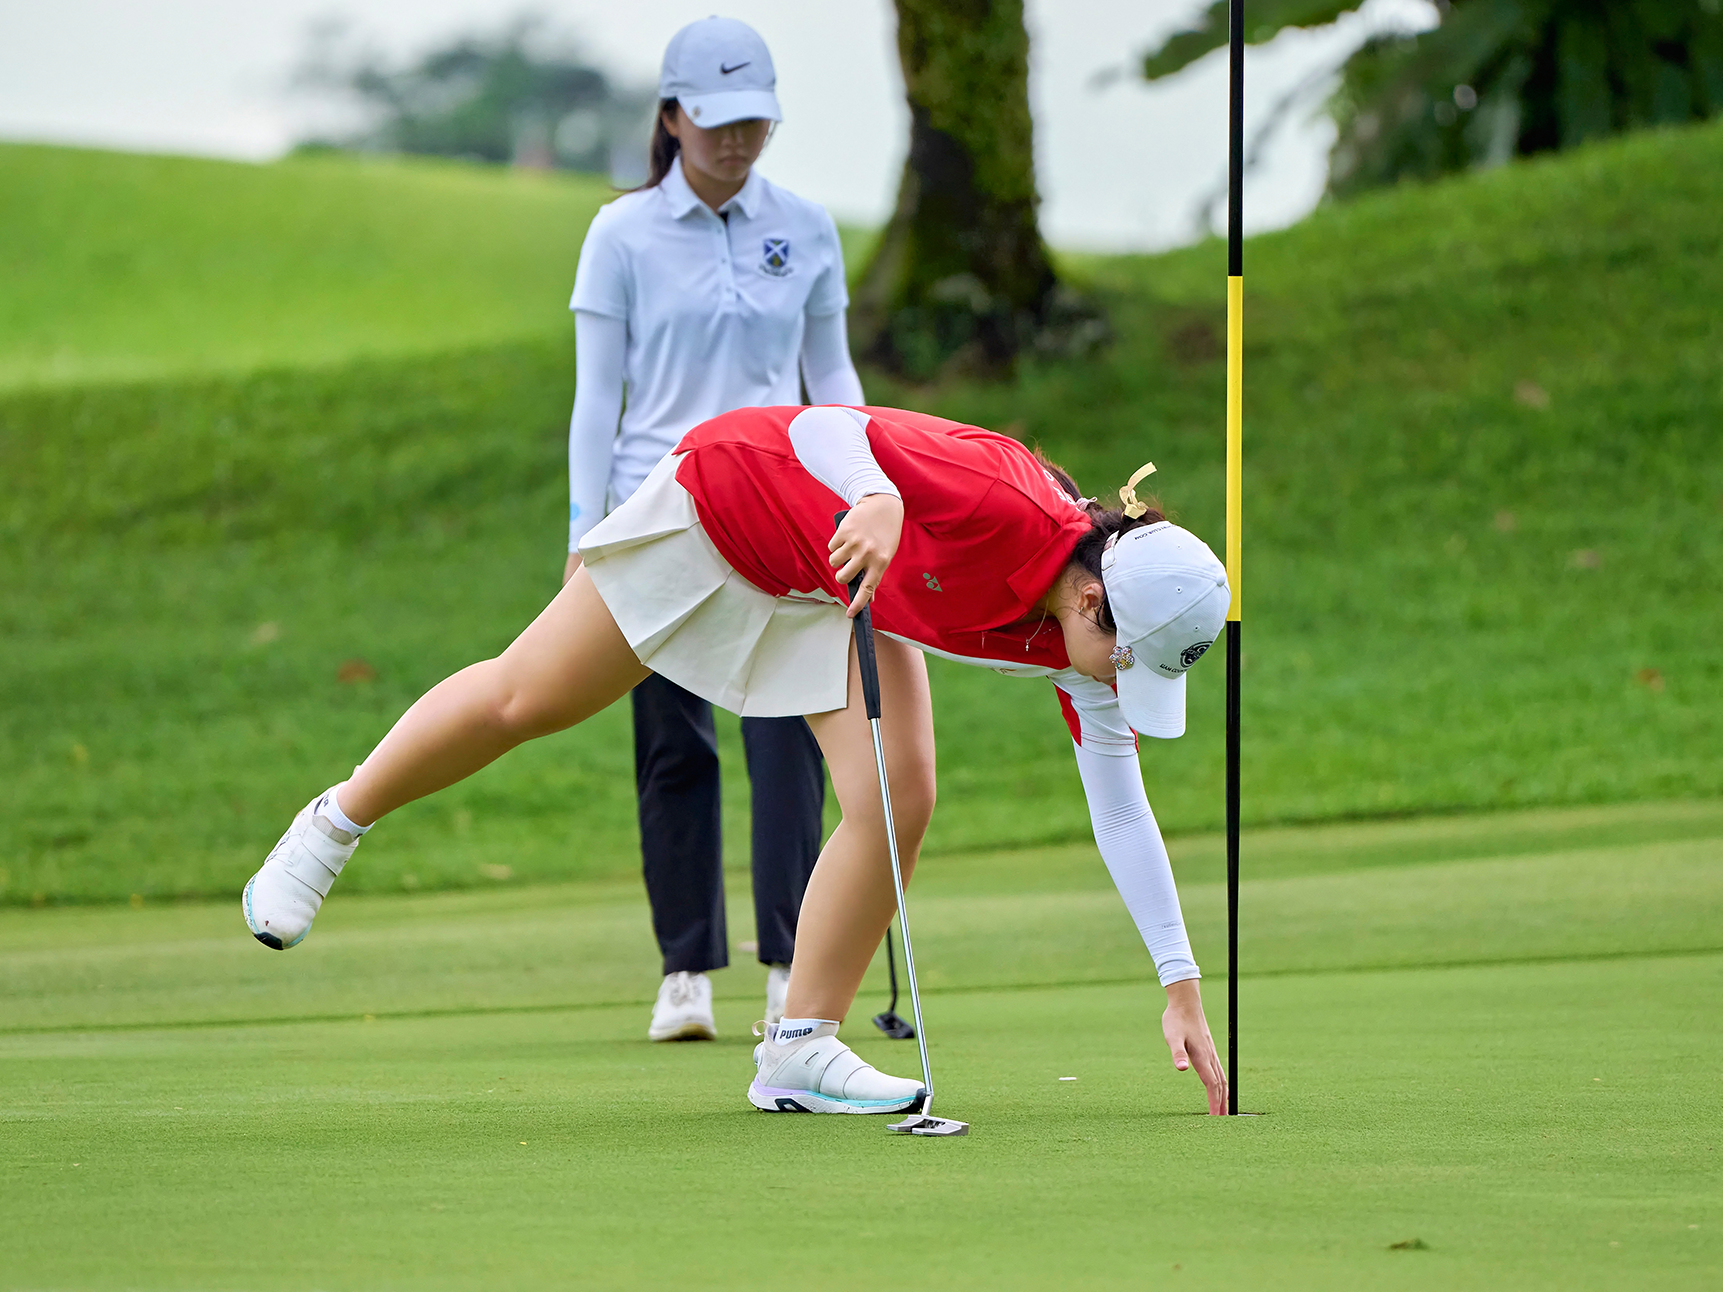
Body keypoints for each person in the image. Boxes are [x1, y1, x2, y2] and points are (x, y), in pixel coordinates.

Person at [243, 404, 1233, 1117]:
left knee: (898, 787)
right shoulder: (999, 494)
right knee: (523, 697)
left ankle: (800, 1044)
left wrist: (1179, 982)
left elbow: (1119, 805)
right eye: (1126, 658)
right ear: (1096, 602)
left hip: (825, 582)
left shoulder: (1089, 637)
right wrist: (877, 496)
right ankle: (334, 821)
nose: (1120, 681)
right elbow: (819, 430)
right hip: (733, 503)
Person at [564, 17, 864, 1041]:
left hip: (786, 509)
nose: (737, 140)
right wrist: (581, 530)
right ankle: (685, 971)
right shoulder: (621, 234)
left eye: (754, 122)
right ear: (672, 115)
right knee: (672, 743)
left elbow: (831, 379)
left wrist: (864, 484)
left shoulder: (807, 227)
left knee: (790, 738)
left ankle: (791, 968)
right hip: (658, 511)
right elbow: (595, 399)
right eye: (717, 121)